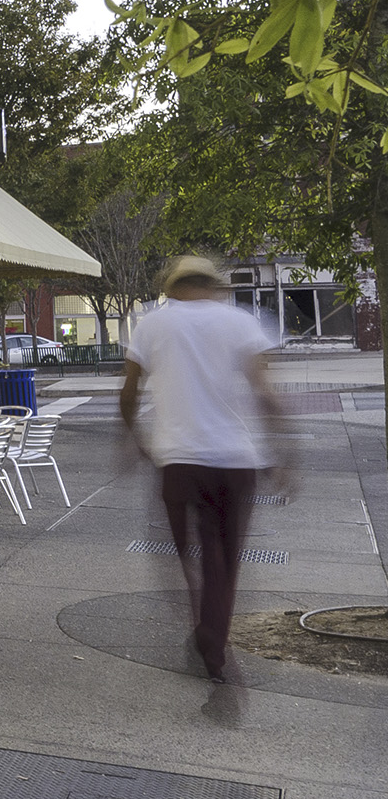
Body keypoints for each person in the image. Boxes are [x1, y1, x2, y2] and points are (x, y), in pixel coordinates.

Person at [120, 256, 286, 682]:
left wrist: (135, 437)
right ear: (213, 286)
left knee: (188, 553)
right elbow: (266, 394)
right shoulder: (241, 323)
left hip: (177, 461)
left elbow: (128, 393)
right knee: (224, 560)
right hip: (234, 461)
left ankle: (204, 627)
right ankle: (213, 639)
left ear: (173, 288)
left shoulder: (152, 325)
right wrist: (283, 453)